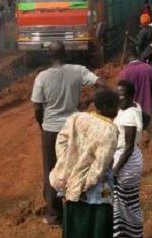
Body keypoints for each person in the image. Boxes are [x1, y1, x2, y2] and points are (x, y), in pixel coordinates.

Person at [31, 41, 104, 226]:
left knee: (51, 170)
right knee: (76, 167)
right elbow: (101, 83)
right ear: (66, 54)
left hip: (51, 130)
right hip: (73, 128)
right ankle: (77, 210)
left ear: (48, 56)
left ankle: (55, 216)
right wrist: (90, 101)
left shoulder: (42, 77)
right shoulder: (78, 70)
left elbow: (38, 108)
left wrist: (42, 125)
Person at [50, 89, 119, 238]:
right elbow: (99, 167)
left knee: (75, 227)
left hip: (70, 184)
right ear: (106, 107)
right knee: (97, 228)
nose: (118, 110)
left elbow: (61, 140)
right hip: (96, 190)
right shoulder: (110, 131)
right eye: (116, 106)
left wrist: (66, 166)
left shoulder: (77, 118)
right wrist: (81, 186)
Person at [119, 48, 152, 171]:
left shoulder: (124, 72)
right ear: (138, 57)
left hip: (131, 112)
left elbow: (122, 96)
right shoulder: (148, 69)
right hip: (146, 110)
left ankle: (126, 167)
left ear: (128, 59)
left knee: (129, 141)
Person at [112, 81, 145, 238]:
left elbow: (129, 147)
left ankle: (127, 234)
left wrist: (115, 170)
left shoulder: (129, 116)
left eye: (122, 95)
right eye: (117, 94)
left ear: (131, 95)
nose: (119, 98)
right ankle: (134, 233)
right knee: (128, 204)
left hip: (126, 164)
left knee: (122, 206)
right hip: (130, 160)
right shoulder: (133, 106)